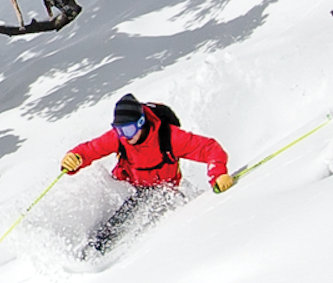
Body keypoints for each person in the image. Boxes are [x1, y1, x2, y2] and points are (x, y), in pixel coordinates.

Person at [60, 93, 234, 253]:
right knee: (116, 219)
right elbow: (91, 149)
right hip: (127, 187)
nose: (124, 136)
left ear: (141, 122)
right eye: (119, 130)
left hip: (162, 191)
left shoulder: (170, 137)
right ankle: (91, 250)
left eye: (128, 130)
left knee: (146, 215)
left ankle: (117, 253)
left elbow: (210, 149)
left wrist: (219, 174)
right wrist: (74, 158)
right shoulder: (119, 138)